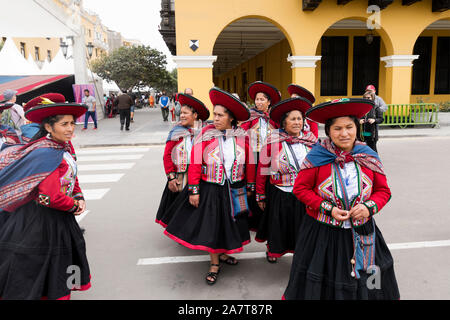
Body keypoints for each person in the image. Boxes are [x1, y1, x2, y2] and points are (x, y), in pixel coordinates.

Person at [283, 98, 400, 300]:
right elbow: (300, 189)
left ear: (357, 128)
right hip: (323, 233)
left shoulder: (368, 155)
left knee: (370, 279)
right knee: (325, 280)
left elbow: (383, 191)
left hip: (364, 232)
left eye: (349, 127)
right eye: (337, 128)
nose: (344, 133)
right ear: (328, 131)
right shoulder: (317, 157)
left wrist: (369, 207)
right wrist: (327, 208)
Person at [0, 93, 91, 300]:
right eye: (64, 124)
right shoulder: (46, 152)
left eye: (72, 123)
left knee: (57, 265)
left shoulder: (62, 148)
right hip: (43, 221)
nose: (70, 129)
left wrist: (79, 195)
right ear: (49, 127)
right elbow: (48, 197)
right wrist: (73, 205)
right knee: (41, 266)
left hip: (60, 217)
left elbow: (72, 176)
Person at [163, 87, 255, 285]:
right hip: (211, 188)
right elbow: (195, 163)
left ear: (231, 118)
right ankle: (214, 263)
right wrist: (193, 190)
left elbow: (250, 162)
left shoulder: (242, 136)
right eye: (215, 115)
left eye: (220, 115)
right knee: (212, 226)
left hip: (234, 188)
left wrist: (250, 186)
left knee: (229, 224)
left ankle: (222, 254)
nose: (216, 119)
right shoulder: (205, 134)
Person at [255, 97, 318, 263]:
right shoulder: (272, 141)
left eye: (299, 119)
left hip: (304, 193)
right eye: (293, 119)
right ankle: (273, 249)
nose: (297, 122)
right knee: (278, 224)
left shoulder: (311, 141)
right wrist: (260, 194)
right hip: (280, 191)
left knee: (301, 225)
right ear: (284, 123)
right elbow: (263, 169)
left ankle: (301, 253)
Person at [155, 93, 210, 228]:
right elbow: (167, 155)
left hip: (201, 178)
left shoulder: (207, 132)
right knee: (180, 210)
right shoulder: (176, 132)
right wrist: (171, 177)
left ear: (195, 115)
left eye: (186, 113)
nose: (182, 116)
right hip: (181, 178)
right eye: (181, 113)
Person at [240, 81, 281, 233]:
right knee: (252, 187)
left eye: (262, 99)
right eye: (257, 99)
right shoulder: (250, 117)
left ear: (269, 102)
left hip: (271, 158)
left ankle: (267, 220)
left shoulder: (275, 118)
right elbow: (240, 133)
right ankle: (253, 222)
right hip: (253, 157)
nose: (258, 102)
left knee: (268, 188)